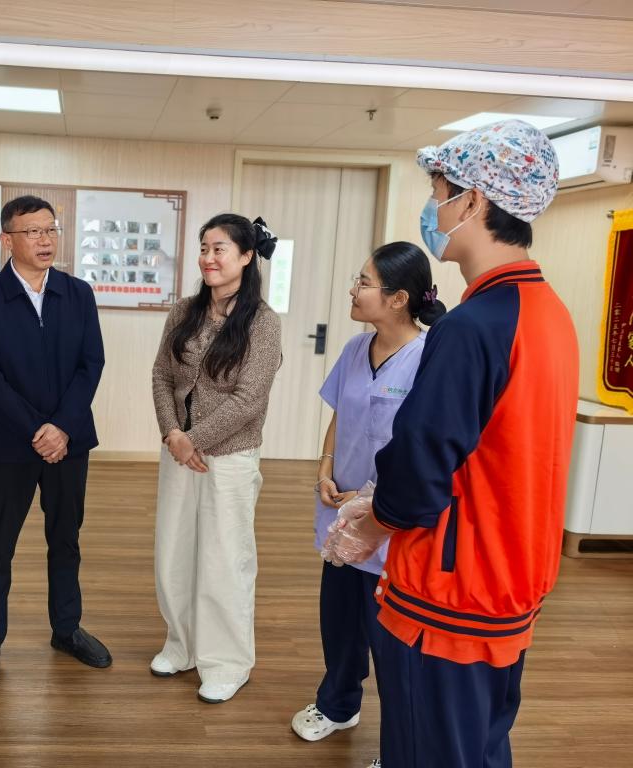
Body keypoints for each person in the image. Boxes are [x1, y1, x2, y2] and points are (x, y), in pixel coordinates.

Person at [324, 120, 579, 768]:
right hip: (510, 582)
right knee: (478, 748)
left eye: (439, 192)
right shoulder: (548, 313)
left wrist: (372, 523)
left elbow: (420, 461)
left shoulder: (472, 327)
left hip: (450, 592)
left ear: (475, 202)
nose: (433, 209)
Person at [289, 242, 446, 744]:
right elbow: (342, 416)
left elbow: (425, 447)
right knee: (339, 624)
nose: (353, 290)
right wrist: (325, 469)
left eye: (364, 282)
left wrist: (373, 494)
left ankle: (400, 745)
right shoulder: (356, 349)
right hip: (340, 512)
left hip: (390, 521)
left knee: (392, 641)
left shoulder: (428, 358)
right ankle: (337, 705)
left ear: (399, 298)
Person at [0, 195, 110, 689]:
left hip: (70, 442)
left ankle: (66, 629)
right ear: (7, 240)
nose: (45, 240)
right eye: (33, 232)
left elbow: (92, 363)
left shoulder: (78, 293)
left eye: (50, 230)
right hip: (12, 444)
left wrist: (62, 427)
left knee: (65, 538)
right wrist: (36, 430)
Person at [150, 213, 282, 704]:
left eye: (219, 248)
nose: (208, 257)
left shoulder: (262, 322)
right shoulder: (184, 311)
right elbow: (162, 375)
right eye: (204, 248)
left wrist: (195, 439)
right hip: (178, 452)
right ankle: (181, 645)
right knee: (174, 552)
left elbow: (249, 398)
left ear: (246, 256)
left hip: (228, 457)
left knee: (225, 559)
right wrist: (172, 433)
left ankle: (227, 663)